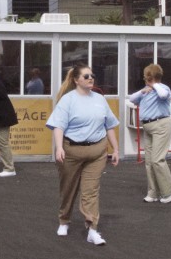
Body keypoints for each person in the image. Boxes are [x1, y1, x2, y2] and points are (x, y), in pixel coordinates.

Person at [46, 63, 120, 245]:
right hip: (71, 151)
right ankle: (64, 219)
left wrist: (116, 148)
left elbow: (109, 125)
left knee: (91, 191)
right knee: (68, 188)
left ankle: (92, 228)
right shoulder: (67, 100)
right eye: (86, 76)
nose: (91, 78)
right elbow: (58, 126)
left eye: (92, 75)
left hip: (97, 152)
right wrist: (59, 148)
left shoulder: (100, 99)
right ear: (76, 80)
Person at [128, 63, 171, 203]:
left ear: (151, 77)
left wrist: (154, 84)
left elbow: (163, 95)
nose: (145, 80)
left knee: (157, 160)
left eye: (147, 77)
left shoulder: (163, 88)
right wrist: (143, 91)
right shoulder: (146, 91)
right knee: (149, 161)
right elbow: (132, 99)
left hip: (160, 124)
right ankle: (153, 193)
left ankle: (170, 190)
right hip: (148, 127)